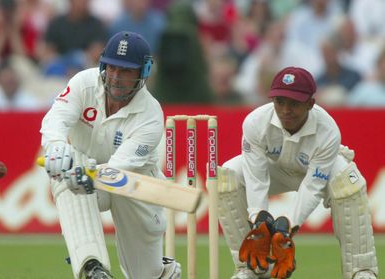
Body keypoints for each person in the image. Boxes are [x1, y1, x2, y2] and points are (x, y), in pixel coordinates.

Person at [40, 31, 181, 279]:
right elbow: (56, 120)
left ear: (143, 72)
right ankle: (93, 267)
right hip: (83, 174)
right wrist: (56, 147)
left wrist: (90, 177)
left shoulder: (150, 116)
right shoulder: (84, 82)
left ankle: (161, 271)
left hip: (132, 184)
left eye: (125, 71)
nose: (115, 77)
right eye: (112, 68)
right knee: (65, 171)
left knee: (145, 275)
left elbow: (119, 168)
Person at [217, 66, 378, 279]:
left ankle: (361, 270)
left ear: (311, 103)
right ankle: (251, 268)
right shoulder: (256, 122)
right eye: (280, 102)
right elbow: (256, 177)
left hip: (316, 173)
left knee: (348, 182)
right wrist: (259, 219)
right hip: (276, 170)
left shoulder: (328, 130)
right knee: (228, 177)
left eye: (294, 103)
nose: (285, 110)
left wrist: (287, 229)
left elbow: (313, 186)